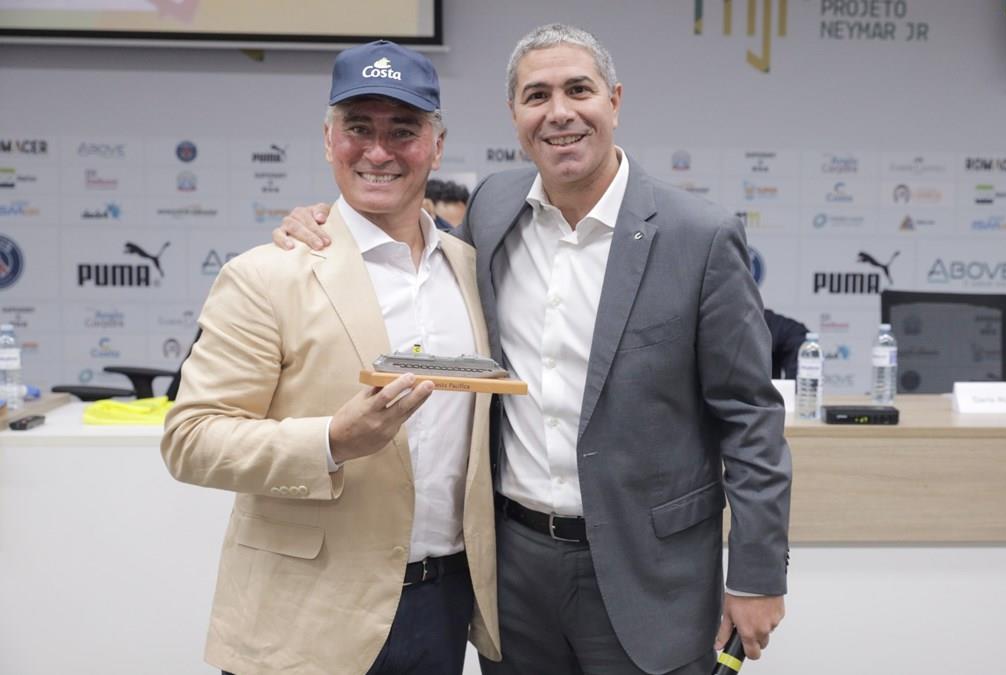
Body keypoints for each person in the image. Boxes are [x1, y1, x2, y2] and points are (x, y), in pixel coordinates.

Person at [274, 24, 790, 675]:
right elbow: (403, 239)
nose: (559, 112)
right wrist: (321, 221)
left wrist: (757, 573)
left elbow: (750, 416)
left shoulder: (699, 235)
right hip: (513, 570)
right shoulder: (493, 208)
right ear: (515, 115)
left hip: (649, 572)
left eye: (579, 90)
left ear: (615, 101)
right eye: (537, 95)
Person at [162, 40, 500, 675]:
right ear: (327, 139)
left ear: (436, 145)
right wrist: (331, 442)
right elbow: (191, 439)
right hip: (304, 617)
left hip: (445, 606)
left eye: (403, 131)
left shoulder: (475, 270)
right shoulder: (266, 275)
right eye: (358, 128)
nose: (378, 151)